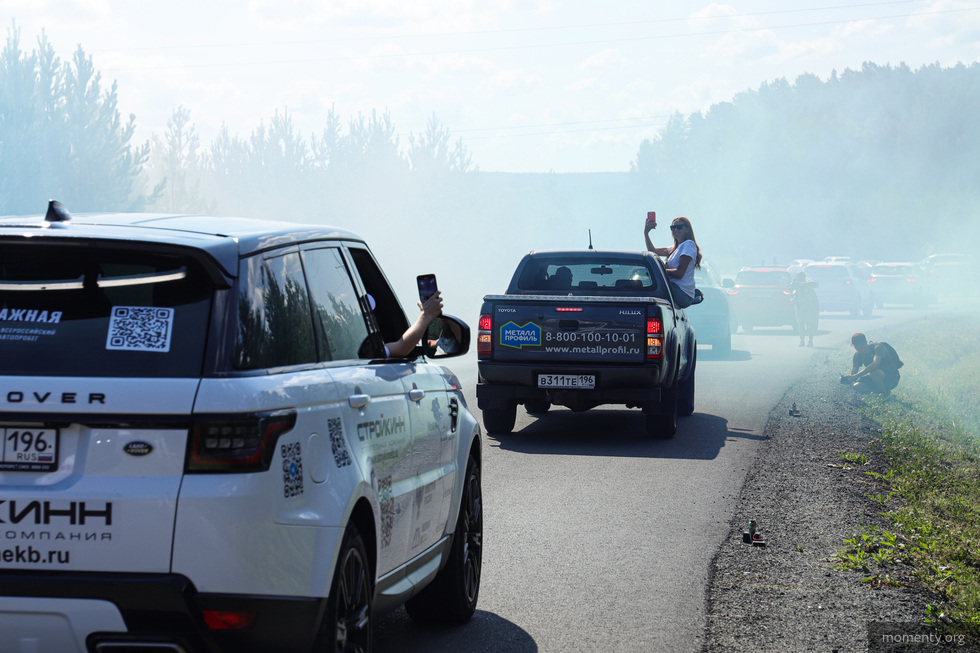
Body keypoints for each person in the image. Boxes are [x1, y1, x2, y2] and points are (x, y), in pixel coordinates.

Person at [645, 216, 702, 308]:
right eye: (673, 228)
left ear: (687, 229)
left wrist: (658, 270)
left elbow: (679, 273)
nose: (675, 230)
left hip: (682, 293)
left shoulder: (688, 245)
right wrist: (646, 233)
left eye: (679, 227)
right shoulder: (674, 248)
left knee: (647, 288)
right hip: (674, 288)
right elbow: (652, 251)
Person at [383, 292, 443, 358]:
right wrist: (426, 315)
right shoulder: (372, 352)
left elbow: (403, 348)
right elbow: (402, 348)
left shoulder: (373, 351)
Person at [789, 270, 819, 347]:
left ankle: (810, 340)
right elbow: (793, 294)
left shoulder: (808, 281)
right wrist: (792, 298)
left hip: (811, 305)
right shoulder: (794, 284)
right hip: (800, 306)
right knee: (800, 323)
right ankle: (802, 340)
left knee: (810, 323)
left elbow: (814, 284)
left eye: (801, 278)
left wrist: (800, 284)